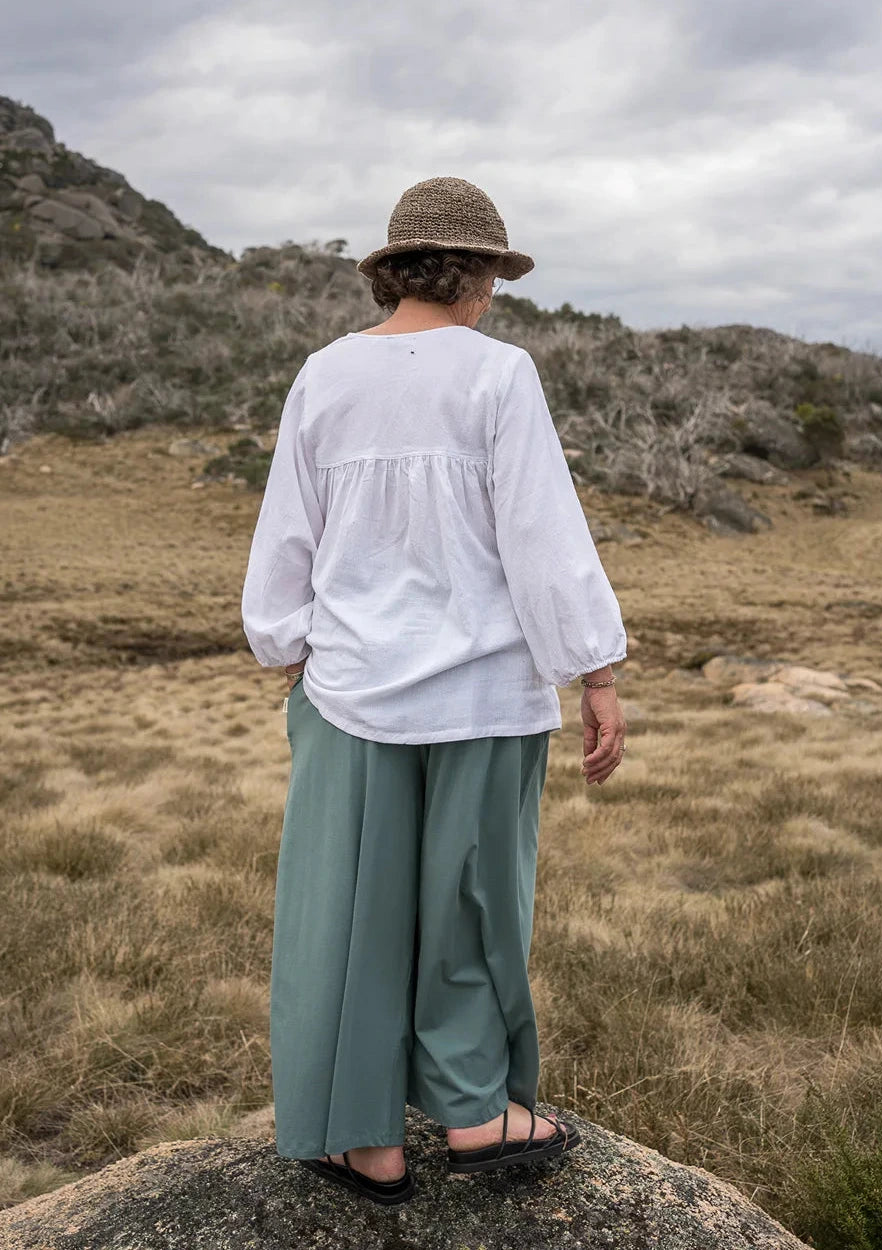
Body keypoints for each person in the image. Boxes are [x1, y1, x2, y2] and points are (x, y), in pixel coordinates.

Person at [241, 176, 628, 1205]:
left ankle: (362, 1138)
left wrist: (282, 636)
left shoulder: (324, 375)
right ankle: (471, 1109)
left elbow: (288, 525)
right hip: (485, 694)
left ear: (396, 271)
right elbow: (541, 534)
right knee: (469, 904)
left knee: (349, 913)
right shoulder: (498, 376)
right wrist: (592, 667)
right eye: (494, 276)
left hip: (350, 690)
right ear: (476, 276)